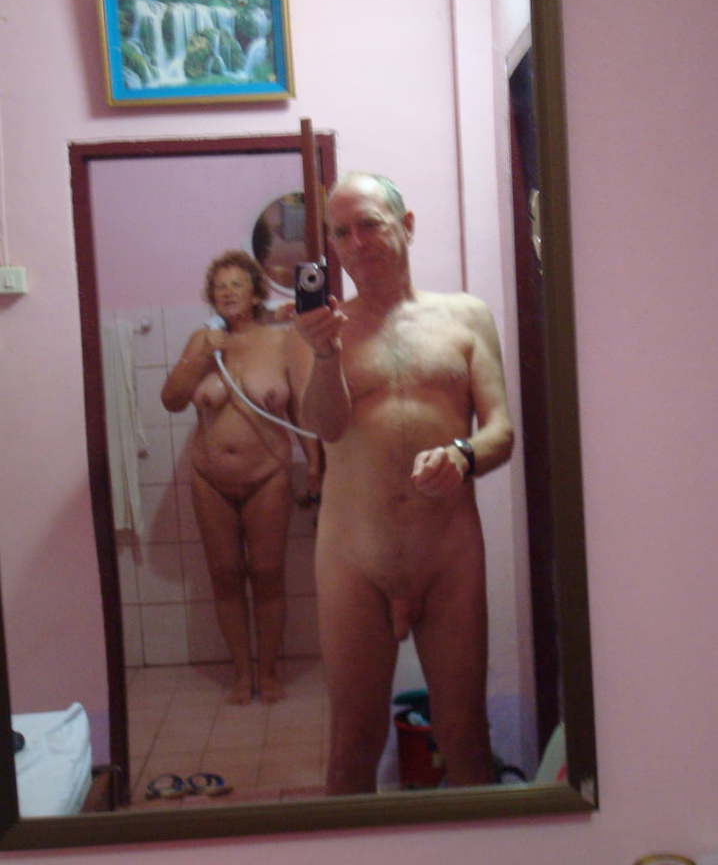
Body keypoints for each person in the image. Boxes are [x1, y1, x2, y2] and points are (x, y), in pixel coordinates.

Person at [289, 172, 514, 793]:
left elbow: (501, 432)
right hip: (353, 559)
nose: (356, 242)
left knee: (467, 736)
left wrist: (462, 456)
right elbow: (326, 429)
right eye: (341, 232)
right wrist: (326, 354)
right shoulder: (316, 330)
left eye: (369, 224)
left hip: (448, 557)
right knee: (351, 745)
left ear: (406, 225)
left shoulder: (465, 317)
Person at [161, 250, 321, 704]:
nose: (227, 292)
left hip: (267, 474)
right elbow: (171, 400)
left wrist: (314, 466)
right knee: (225, 574)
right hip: (209, 476)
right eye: (220, 286)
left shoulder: (282, 340)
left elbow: (301, 409)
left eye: (237, 284)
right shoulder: (202, 341)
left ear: (255, 293)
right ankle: (240, 672)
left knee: (267, 572)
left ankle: (267, 672)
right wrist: (199, 358)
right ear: (211, 297)